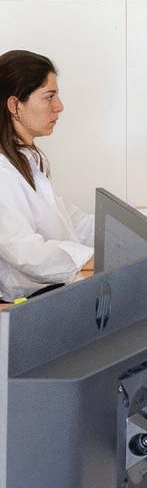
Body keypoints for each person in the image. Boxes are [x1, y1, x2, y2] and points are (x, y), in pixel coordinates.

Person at [0, 51, 94, 301]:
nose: (59, 106)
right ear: (14, 105)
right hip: (24, 303)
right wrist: (92, 259)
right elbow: (27, 253)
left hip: (48, 292)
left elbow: (75, 223)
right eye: (49, 96)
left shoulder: (28, 159)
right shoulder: (2, 172)